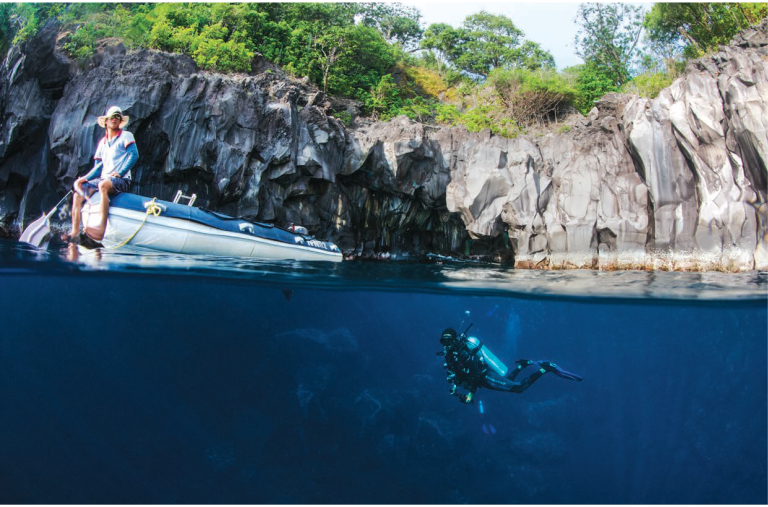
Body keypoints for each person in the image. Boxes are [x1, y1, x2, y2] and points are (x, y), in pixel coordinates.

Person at [437, 327, 582, 404]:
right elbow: (457, 373)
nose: (447, 345)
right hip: (482, 380)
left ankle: (546, 368)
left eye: (449, 341)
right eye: (444, 342)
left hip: (485, 377)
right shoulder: (450, 356)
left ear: (455, 340)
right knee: (509, 382)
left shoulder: (462, 353)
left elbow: (474, 373)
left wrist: (471, 393)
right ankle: (522, 366)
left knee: (518, 388)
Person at [63, 106, 138, 243]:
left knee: (103, 185)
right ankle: (74, 232)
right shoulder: (102, 143)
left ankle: (100, 230)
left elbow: (134, 155)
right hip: (104, 179)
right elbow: (98, 168)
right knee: (78, 193)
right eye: (112, 117)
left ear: (120, 121)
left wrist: (120, 173)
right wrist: (84, 179)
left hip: (122, 180)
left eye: (117, 116)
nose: (115, 119)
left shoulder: (126, 136)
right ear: (106, 121)